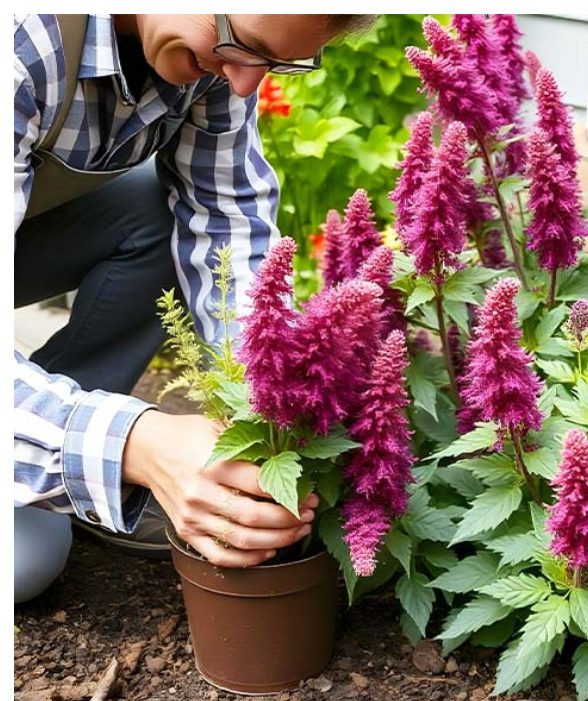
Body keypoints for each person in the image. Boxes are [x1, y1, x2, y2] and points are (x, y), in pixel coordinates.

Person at [13, 14, 375, 601]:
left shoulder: (214, 51)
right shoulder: (21, 41)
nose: (243, 84)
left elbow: (225, 219)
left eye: (274, 63)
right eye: (246, 49)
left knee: (167, 218)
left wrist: (265, 386)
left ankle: (52, 440)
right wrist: (138, 444)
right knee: (23, 563)